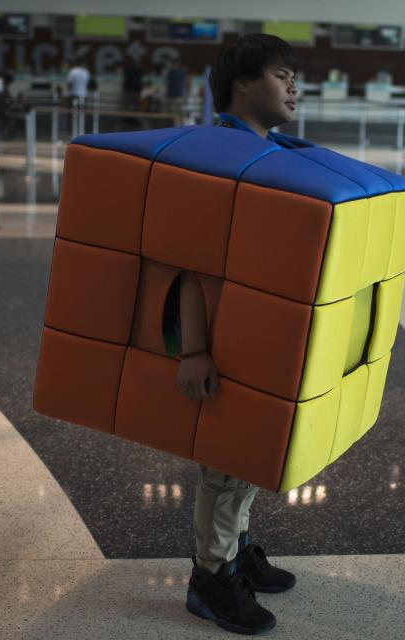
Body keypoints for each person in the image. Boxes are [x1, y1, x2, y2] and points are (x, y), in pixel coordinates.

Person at [180, 34, 300, 636]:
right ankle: (211, 578)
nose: (294, 87)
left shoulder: (269, 150)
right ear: (244, 85)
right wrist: (196, 347)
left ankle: (238, 547)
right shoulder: (222, 153)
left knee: (247, 454)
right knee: (225, 465)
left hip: (254, 330)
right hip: (220, 335)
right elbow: (193, 260)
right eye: (282, 74)